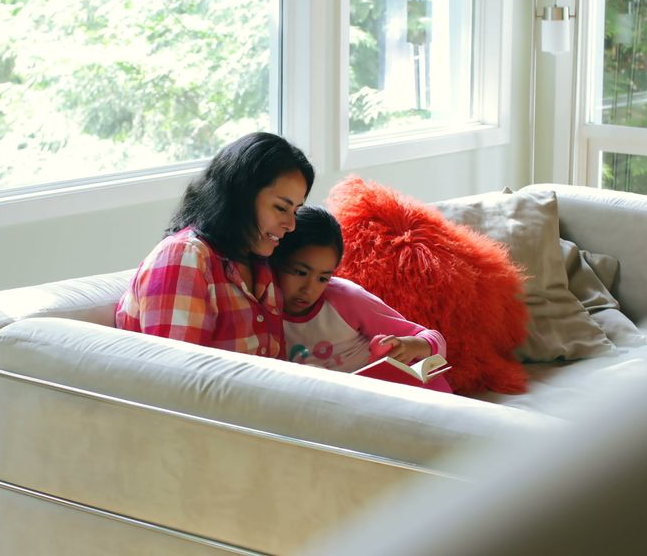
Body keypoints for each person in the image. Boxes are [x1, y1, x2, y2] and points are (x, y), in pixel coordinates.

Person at [115, 132, 314, 358]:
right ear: (241, 196)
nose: (291, 224)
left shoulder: (259, 263)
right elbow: (175, 377)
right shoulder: (185, 257)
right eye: (280, 208)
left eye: (295, 211)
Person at [271, 205, 451, 392]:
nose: (309, 289)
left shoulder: (346, 298)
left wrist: (410, 346)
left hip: (407, 392)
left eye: (323, 278)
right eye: (300, 272)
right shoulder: (260, 310)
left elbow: (434, 340)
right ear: (274, 261)